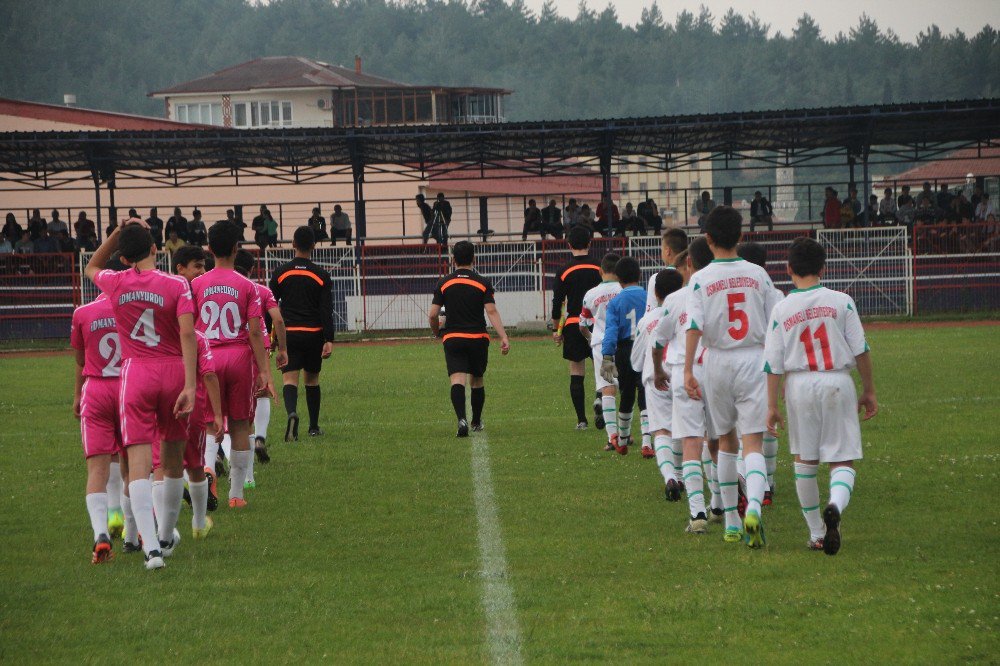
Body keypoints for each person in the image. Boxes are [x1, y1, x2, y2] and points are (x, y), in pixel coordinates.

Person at [84, 220, 199, 571]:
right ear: (154, 249)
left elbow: (91, 266)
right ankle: (165, 537)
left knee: (138, 464)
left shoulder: (116, 282)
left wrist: (118, 233)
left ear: (123, 258)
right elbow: (188, 334)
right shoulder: (176, 283)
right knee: (172, 457)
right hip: (173, 369)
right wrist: (191, 385)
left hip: (136, 373)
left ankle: (150, 550)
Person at [764, 237, 878, 555]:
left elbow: (772, 364)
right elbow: (861, 350)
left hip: (799, 385)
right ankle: (835, 506)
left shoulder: (781, 308)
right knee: (842, 459)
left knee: (805, 460)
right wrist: (868, 389)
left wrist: (772, 405)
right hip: (837, 381)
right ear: (823, 268)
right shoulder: (841, 301)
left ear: (788, 269)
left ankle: (816, 532)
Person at [683, 206, 783, 548]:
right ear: (741, 236)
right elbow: (775, 321)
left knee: (726, 442)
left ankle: (730, 521)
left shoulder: (700, 278)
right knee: (752, 442)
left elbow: (695, 325)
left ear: (708, 240)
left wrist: (687, 370)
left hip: (717, 361)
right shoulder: (758, 274)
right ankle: (753, 505)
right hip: (753, 359)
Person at [192, 220, 274, 509]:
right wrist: (263, 370)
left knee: (208, 423)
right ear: (237, 249)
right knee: (240, 424)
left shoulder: (197, 284)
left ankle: (209, 469)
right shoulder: (246, 286)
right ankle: (236, 495)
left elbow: (189, 327)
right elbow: (254, 331)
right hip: (239, 358)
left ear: (209, 249)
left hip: (208, 357)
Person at [653, 239, 722, 527]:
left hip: (686, 370)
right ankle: (721, 504)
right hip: (720, 369)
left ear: (689, 263)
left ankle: (697, 513)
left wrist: (657, 370)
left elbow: (658, 340)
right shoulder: (722, 290)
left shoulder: (676, 298)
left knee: (691, 441)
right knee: (719, 441)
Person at [71, 264, 124, 564]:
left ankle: (100, 533)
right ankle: (132, 527)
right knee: (132, 461)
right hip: (130, 386)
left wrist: (77, 395)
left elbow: (80, 359)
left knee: (97, 468)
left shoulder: (83, 312)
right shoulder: (131, 309)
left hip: (96, 388)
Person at [428, 241, 510, 436]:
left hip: (453, 337)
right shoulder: (482, 282)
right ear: (474, 258)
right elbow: (491, 310)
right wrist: (503, 336)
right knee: (477, 380)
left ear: (453, 260)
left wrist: (436, 332)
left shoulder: (444, 282)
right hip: (477, 337)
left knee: (457, 379)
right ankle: (475, 421)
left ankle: (461, 420)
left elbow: (433, 314)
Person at [170, 245, 224, 536]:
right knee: (192, 460)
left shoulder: (172, 292)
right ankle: (198, 522)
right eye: (196, 267)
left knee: (162, 462)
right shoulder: (184, 302)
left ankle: (154, 533)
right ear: (180, 268)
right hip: (191, 392)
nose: (201, 272)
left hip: (157, 387)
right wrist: (218, 414)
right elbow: (209, 373)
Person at [269, 227, 335, 439]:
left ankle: (291, 413)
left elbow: (270, 306)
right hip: (314, 334)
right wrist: (329, 339)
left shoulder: (280, 273)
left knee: (290, 380)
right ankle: (314, 427)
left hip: (289, 334)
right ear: (314, 246)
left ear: (293, 244)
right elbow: (326, 310)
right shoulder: (321, 275)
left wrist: (271, 337)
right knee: (312, 380)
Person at [737, 241, 785, 504]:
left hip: (735, 359)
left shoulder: (728, 287)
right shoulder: (775, 293)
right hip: (766, 362)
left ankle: (750, 481)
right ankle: (768, 481)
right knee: (767, 424)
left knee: (742, 428)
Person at [234, 249, 287, 481]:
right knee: (262, 394)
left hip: (232, 347)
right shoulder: (262, 290)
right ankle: (260, 438)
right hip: (260, 346)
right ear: (253, 269)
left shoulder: (224, 288)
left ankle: (225, 457)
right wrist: (282, 349)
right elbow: (277, 318)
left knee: (235, 408)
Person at [630, 266, 684, 463]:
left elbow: (636, 362)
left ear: (654, 292)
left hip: (656, 376)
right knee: (688, 429)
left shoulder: (646, 321)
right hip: (684, 371)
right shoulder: (689, 311)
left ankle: (671, 476)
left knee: (662, 429)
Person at [551, 226, 602, 429]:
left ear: (569, 244)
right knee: (601, 367)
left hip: (573, 324)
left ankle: (581, 420)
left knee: (576, 369)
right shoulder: (600, 267)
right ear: (590, 243)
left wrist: (557, 330)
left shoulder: (564, 271)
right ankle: (600, 399)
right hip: (598, 324)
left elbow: (557, 303)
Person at [598, 256, 647, 455]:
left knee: (626, 393)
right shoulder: (648, 297)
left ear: (618, 279)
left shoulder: (616, 302)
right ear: (640, 275)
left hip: (625, 350)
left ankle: (623, 439)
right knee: (645, 391)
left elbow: (611, 332)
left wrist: (607, 357)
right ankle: (647, 442)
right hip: (645, 347)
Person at [578, 253, 623, 448]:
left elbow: (582, 324)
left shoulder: (591, 294)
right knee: (628, 387)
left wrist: (591, 339)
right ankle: (629, 433)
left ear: (600, 271)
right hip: (625, 342)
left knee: (607, 387)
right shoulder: (624, 290)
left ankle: (612, 436)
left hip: (602, 344)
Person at [646, 228, 688, 312]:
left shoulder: (656, 278)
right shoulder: (691, 275)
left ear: (668, 251)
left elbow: (651, 313)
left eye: (662, 250)